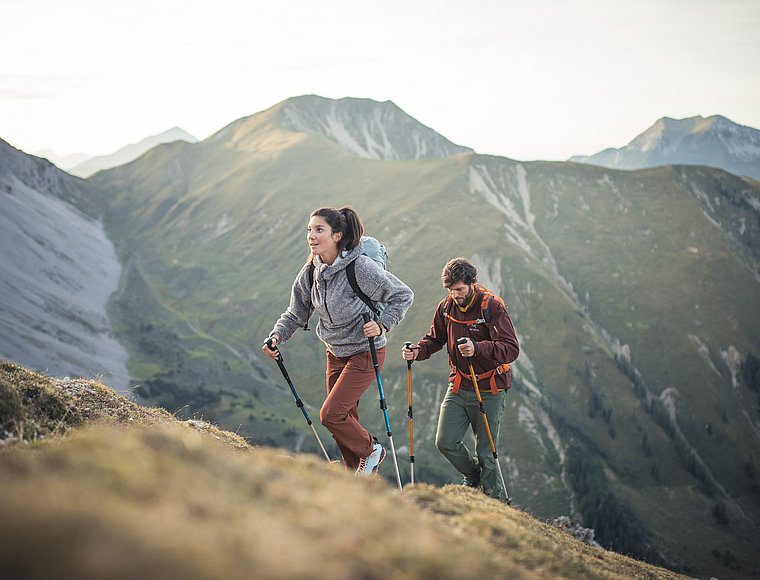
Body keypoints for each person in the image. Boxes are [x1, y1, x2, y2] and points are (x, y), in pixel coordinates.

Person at [263, 206, 413, 476]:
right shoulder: (311, 272)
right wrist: (276, 335)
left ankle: (371, 451)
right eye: (309, 229)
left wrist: (382, 325)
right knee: (343, 421)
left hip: (365, 353)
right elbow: (296, 312)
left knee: (330, 415)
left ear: (337, 235)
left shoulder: (360, 268)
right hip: (335, 352)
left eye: (319, 229)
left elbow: (403, 295)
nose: (311, 235)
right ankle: (355, 477)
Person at [402, 257, 519, 499]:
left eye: (459, 289)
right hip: (459, 384)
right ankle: (474, 477)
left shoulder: (492, 307)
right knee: (445, 441)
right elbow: (434, 339)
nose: (455, 294)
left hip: (490, 388)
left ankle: (493, 502)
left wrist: (478, 348)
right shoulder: (446, 307)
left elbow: (510, 348)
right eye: (450, 290)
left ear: (472, 283)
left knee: (486, 451)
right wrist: (417, 352)